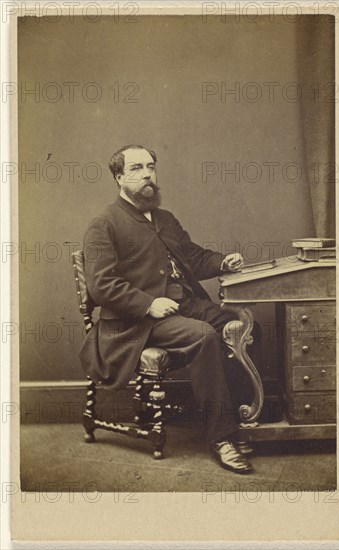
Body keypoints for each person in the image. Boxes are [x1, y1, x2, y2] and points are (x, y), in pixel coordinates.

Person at [80, 144, 256, 473]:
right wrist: (148, 304)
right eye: (136, 168)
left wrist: (222, 262)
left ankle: (240, 416)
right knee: (204, 336)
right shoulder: (104, 224)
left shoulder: (165, 219)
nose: (147, 174)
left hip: (184, 305)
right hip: (136, 322)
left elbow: (192, 257)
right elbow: (101, 286)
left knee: (242, 326)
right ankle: (223, 437)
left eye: (151, 166)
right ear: (119, 177)